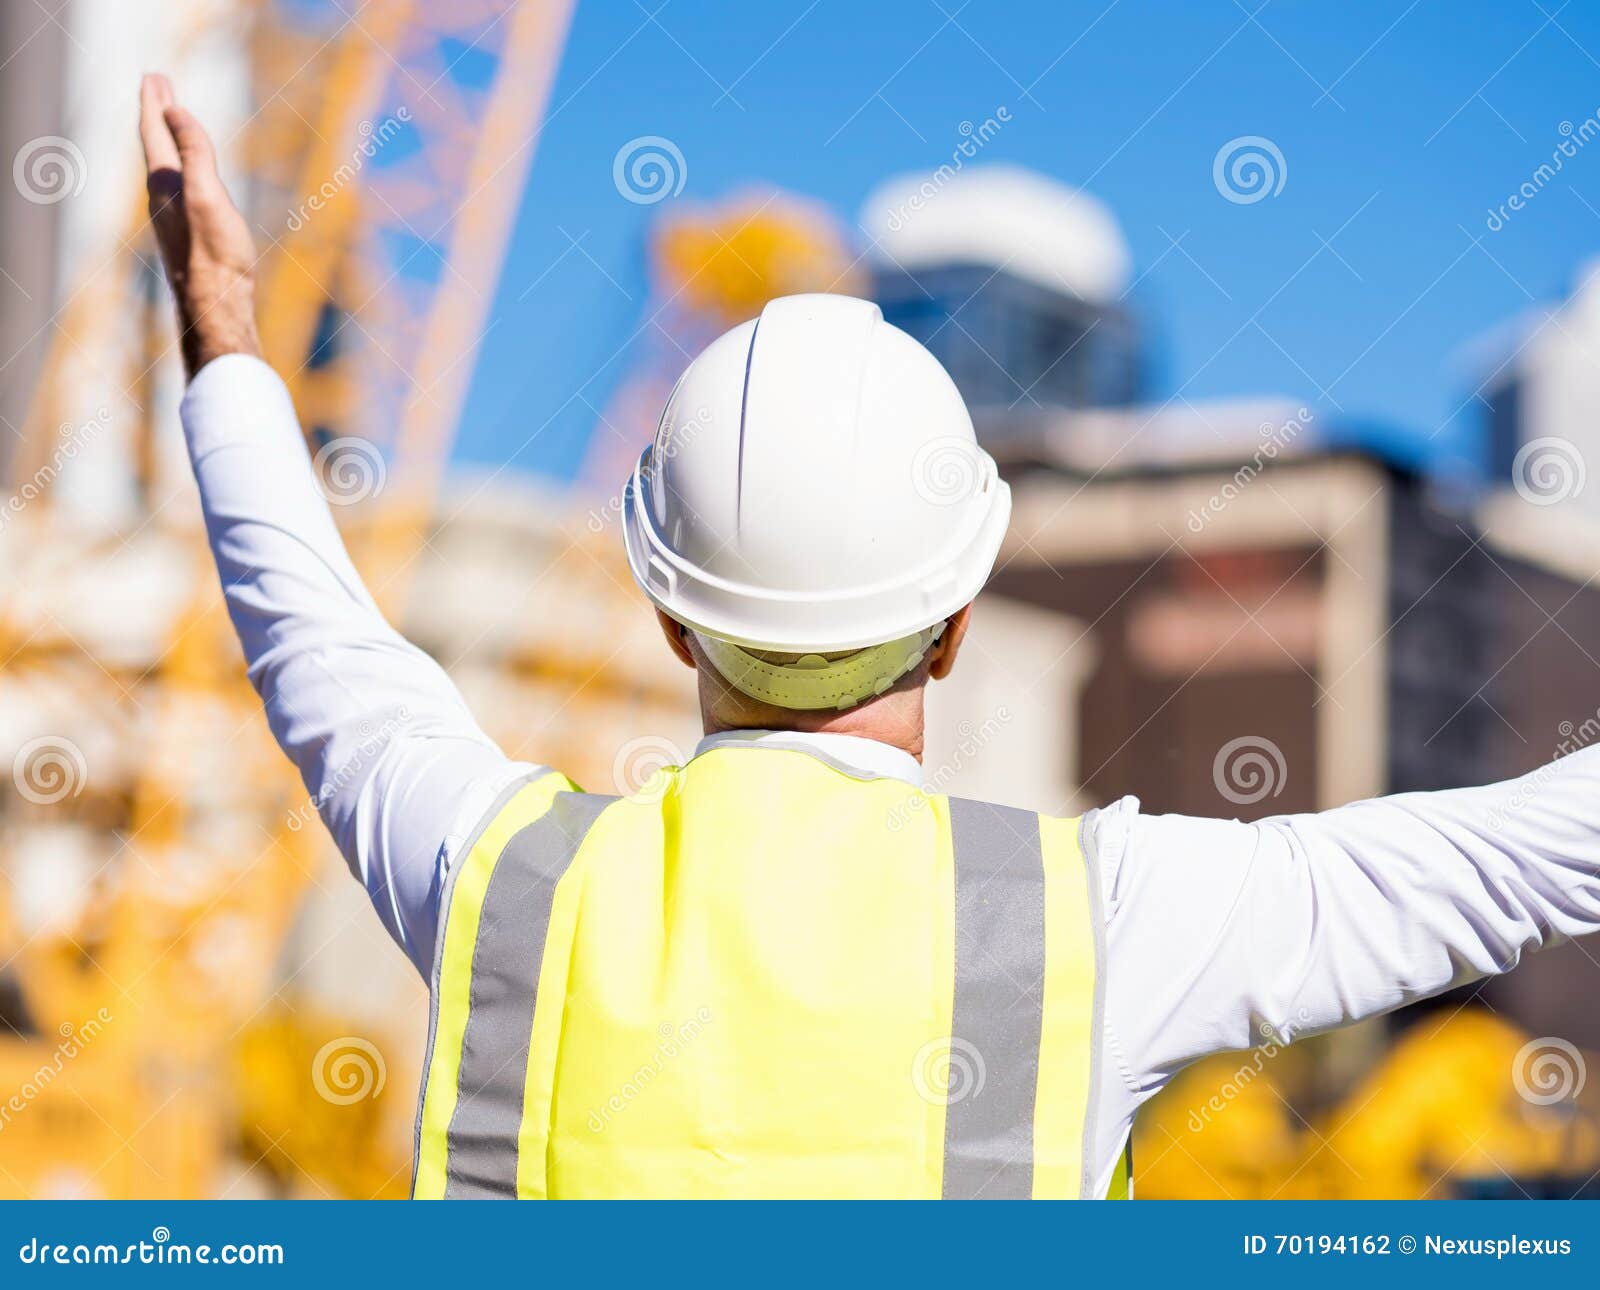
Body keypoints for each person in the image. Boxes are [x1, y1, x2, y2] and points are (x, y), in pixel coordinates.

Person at [140, 73, 1600, 1200]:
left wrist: (223, 336)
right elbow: (1534, 851)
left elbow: (317, 650)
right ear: (958, 621)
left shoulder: (508, 884)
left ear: (665, 607)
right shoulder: (1101, 919)